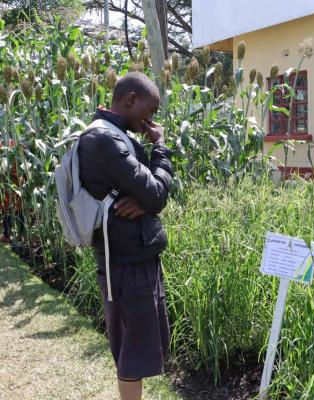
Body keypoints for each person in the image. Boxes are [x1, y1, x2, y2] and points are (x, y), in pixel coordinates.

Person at [78, 72, 173, 400]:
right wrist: (160, 147)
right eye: (151, 109)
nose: (153, 119)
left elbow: (147, 195)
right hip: (127, 263)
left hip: (129, 257)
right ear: (131, 100)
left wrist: (145, 202)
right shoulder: (107, 140)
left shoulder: (113, 134)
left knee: (137, 344)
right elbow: (157, 193)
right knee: (132, 349)